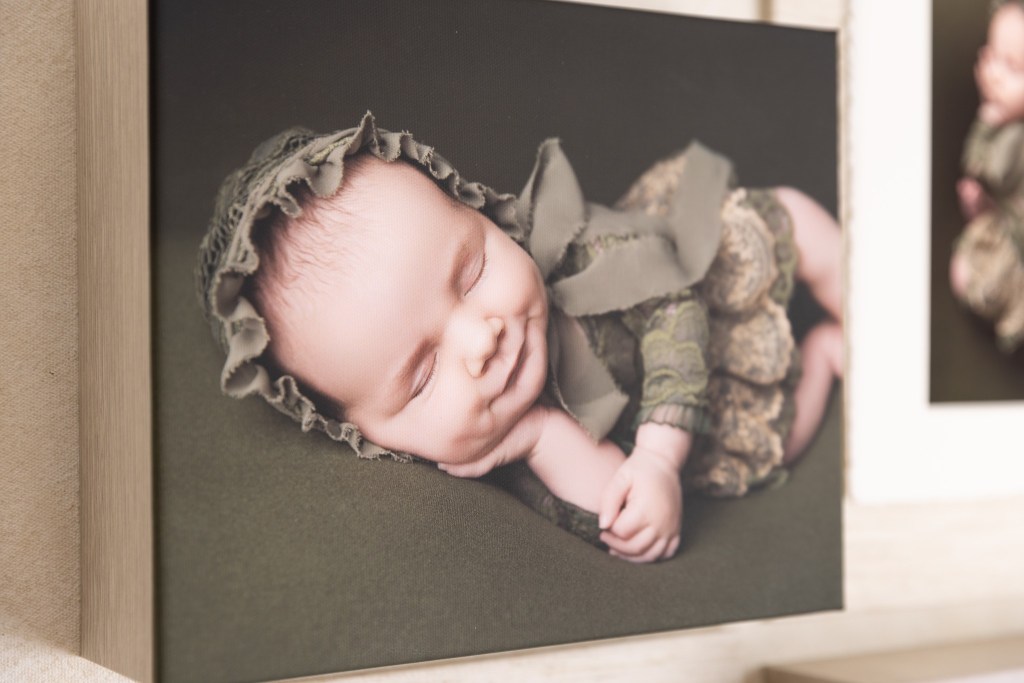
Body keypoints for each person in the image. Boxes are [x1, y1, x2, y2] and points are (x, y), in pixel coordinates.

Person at [197, 113, 842, 563]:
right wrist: (540, 437)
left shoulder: (582, 252)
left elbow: (674, 301)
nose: (482, 341)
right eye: (422, 377)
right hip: (711, 420)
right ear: (364, 433)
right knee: (774, 445)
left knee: (785, 219)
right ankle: (824, 358)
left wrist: (660, 455)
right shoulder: (505, 454)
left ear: (477, 209)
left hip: (685, 291)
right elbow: (616, 509)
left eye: (472, 272)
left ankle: (866, 298)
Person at [950, 0, 1024, 351]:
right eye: (992, 57)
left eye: (1012, 67)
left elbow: (991, 168)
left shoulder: (1013, 135)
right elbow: (979, 172)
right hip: (1006, 221)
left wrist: (989, 120)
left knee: (980, 275)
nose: (993, 73)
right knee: (963, 270)